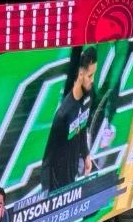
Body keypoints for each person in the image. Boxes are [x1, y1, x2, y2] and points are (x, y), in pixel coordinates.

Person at [42, 46, 100, 191]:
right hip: (56, 186)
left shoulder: (89, 95)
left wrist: (86, 154)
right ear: (81, 74)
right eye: (90, 76)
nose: (92, 81)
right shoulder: (63, 114)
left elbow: (81, 128)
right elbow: (47, 161)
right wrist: (46, 195)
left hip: (72, 176)